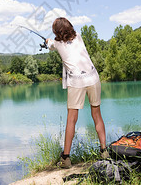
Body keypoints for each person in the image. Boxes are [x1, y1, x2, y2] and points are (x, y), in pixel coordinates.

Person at [46, 17, 108, 168]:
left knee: (71, 120)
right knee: (97, 115)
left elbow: (51, 44)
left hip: (77, 82)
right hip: (93, 78)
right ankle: (104, 151)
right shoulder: (79, 36)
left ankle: (66, 158)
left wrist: (47, 42)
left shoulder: (57, 44)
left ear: (57, 32)